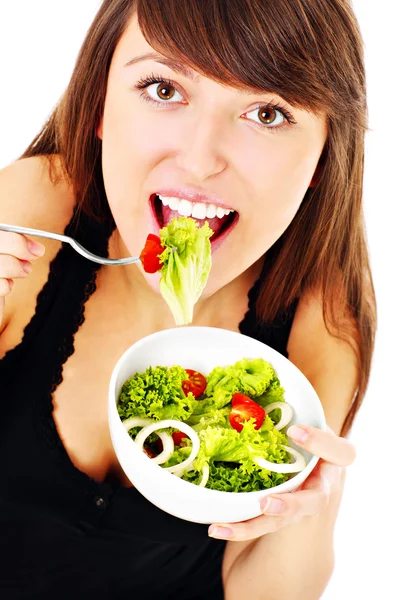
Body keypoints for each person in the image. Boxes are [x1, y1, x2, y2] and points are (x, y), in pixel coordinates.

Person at [0, 1, 376, 598]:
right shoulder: (27, 225)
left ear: (322, 157)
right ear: (99, 104)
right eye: (162, 88)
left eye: (267, 112)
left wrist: (311, 506)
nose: (200, 160)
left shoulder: (320, 319)